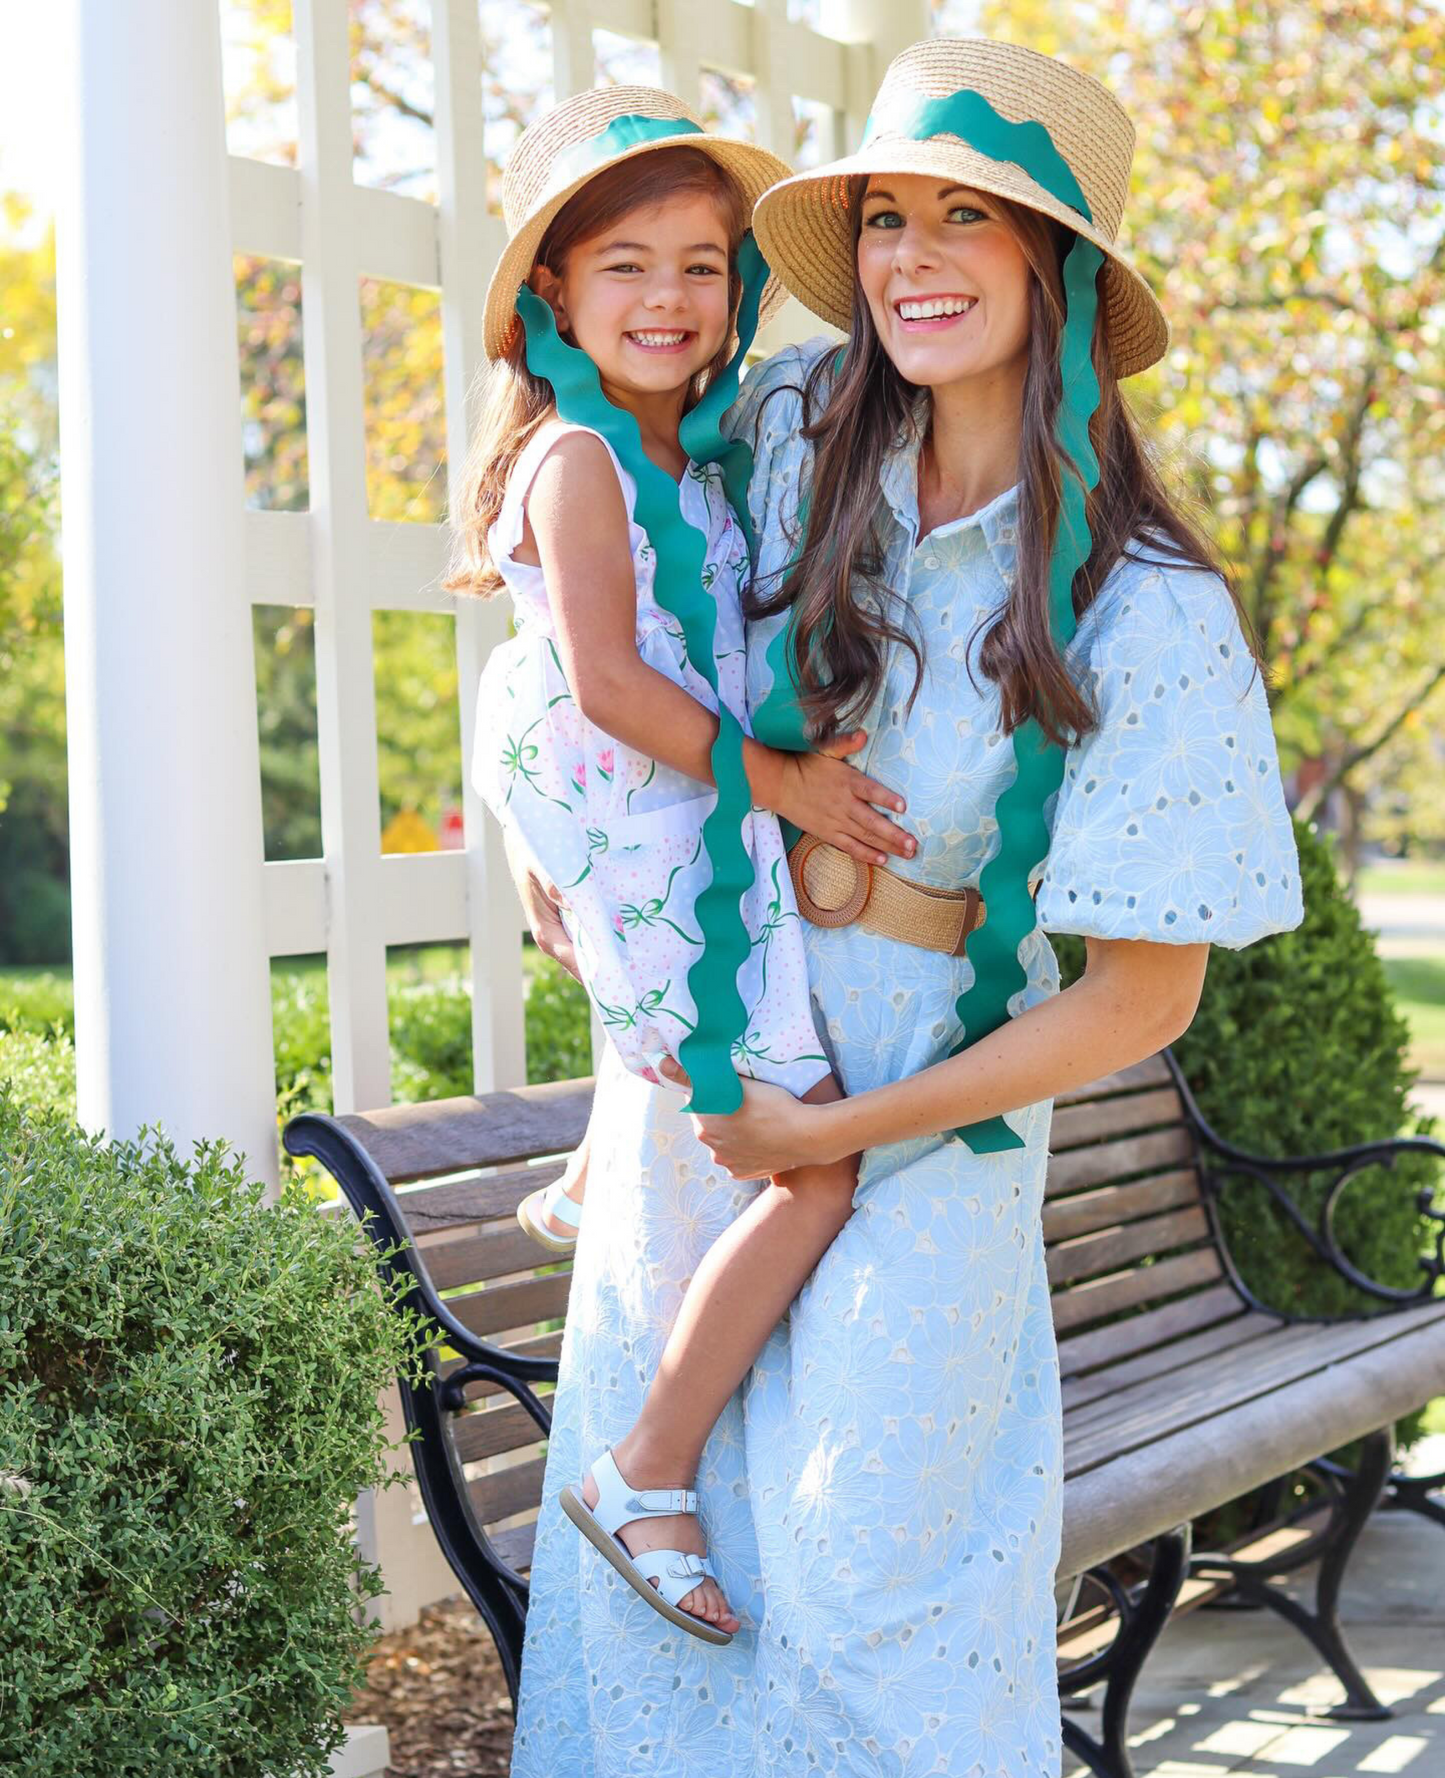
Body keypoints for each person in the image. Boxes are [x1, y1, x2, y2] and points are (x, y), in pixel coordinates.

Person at [507, 36, 1303, 1778]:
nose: (913, 259)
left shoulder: (1149, 605)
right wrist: (541, 831)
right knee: (657, 1626)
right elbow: (591, 606)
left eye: (972, 218)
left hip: (931, 1119)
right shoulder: (789, 434)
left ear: (1061, 269)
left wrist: (850, 1124)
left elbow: (1136, 1000)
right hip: (716, 1067)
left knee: (879, 1611)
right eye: (885, 218)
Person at [446, 85, 917, 1644]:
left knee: (711, 1064)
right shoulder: (582, 457)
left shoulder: (682, 456)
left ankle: (603, 1155)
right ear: (554, 297)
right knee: (817, 1161)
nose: (668, 297)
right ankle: (643, 1468)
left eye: (702, 264)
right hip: (667, 839)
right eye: (626, 266)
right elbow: (601, 679)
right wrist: (779, 780)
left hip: (660, 840)